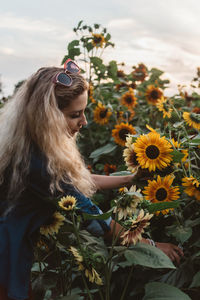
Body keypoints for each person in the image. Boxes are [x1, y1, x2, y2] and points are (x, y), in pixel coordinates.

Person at [0, 60, 183, 300]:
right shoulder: (39, 165)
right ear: (48, 118)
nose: (84, 121)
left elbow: (76, 180)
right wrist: (151, 247)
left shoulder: (28, 145)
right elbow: (93, 218)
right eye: (75, 115)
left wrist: (129, 179)